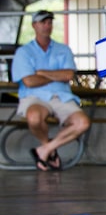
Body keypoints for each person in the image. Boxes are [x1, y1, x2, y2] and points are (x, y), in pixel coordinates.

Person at [12, 10, 91, 171]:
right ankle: (49, 148)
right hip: (35, 96)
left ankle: (46, 149)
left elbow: (68, 74)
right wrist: (56, 75)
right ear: (34, 25)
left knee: (83, 123)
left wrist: (41, 72)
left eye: (49, 22)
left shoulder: (63, 49)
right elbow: (29, 81)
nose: (47, 26)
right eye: (43, 22)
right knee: (34, 117)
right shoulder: (24, 52)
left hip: (61, 96)